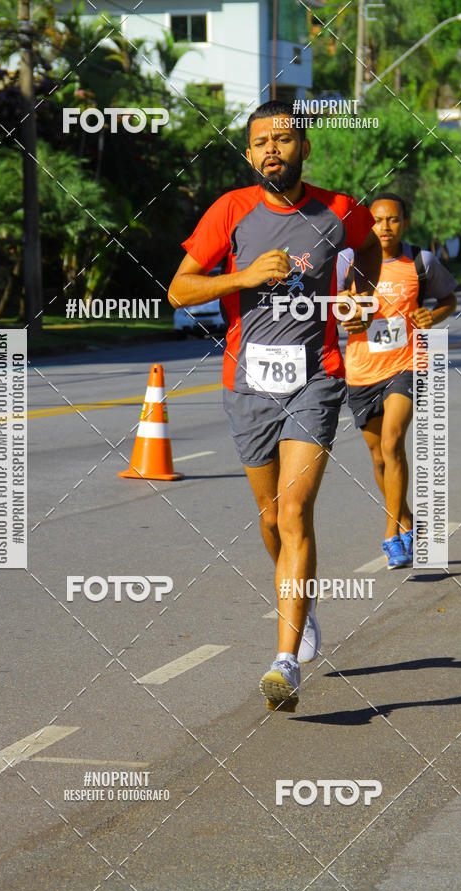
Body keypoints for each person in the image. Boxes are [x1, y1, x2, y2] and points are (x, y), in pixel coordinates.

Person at [168, 100, 381, 710]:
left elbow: (367, 253)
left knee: (294, 513)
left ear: (304, 147)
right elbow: (179, 290)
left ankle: (284, 662)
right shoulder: (230, 210)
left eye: (283, 139)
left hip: (317, 379)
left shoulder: (339, 210)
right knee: (270, 520)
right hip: (247, 385)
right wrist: (242, 278)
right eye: (260, 141)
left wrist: (360, 295)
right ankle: (303, 605)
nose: (271, 150)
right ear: (249, 153)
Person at [337, 192, 457, 568]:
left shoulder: (421, 261)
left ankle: (392, 534)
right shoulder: (348, 263)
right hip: (361, 370)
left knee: (392, 442)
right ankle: (406, 518)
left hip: (408, 365)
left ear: (404, 222)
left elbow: (448, 298)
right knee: (378, 458)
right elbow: (336, 304)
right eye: (376, 220)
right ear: (366, 224)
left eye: (392, 220)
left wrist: (432, 317)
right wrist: (348, 315)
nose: (384, 227)